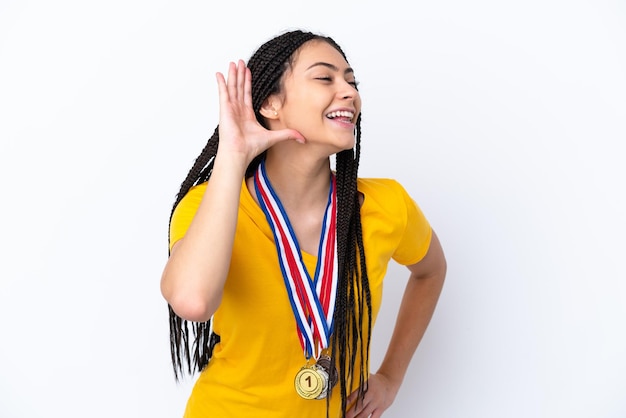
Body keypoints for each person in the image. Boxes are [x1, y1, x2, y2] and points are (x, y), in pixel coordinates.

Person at [160, 29, 446, 418]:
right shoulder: (210, 206)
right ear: (272, 103)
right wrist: (233, 153)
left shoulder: (387, 204)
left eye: (351, 80)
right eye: (325, 77)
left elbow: (430, 271)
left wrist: (390, 378)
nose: (349, 92)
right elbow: (193, 302)